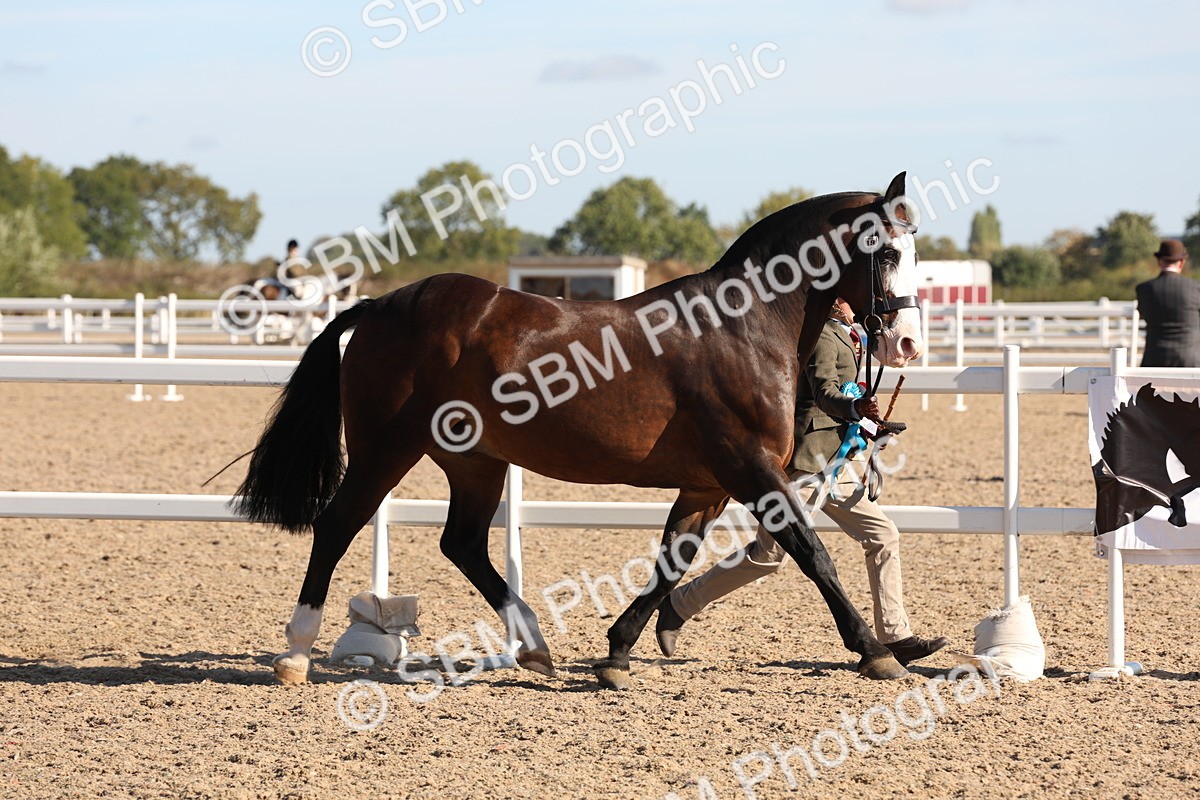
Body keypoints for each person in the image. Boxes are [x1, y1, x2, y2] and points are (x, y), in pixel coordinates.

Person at [656, 297, 949, 666]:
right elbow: (826, 392)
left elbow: (847, 393)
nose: (854, 304)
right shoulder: (823, 334)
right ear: (838, 299)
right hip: (807, 463)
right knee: (768, 556)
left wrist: (871, 424)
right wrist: (855, 409)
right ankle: (678, 605)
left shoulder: (848, 332)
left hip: (837, 461)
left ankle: (896, 635)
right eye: (848, 297)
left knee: (883, 534)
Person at [1136, 239, 1200, 368]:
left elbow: (1143, 314)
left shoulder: (1144, 289)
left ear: (1159, 261)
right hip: (1189, 360)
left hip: (1154, 359)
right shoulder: (1196, 288)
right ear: (1181, 262)